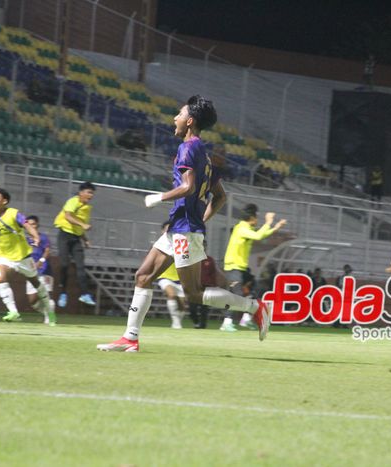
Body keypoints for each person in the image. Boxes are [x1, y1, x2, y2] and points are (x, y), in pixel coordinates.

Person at [98, 95, 271, 352]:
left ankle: (256, 308)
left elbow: (189, 187)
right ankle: (130, 339)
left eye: (178, 114)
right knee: (143, 276)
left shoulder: (188, 149)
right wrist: (200, 219)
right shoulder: (204, 153)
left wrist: (159, 197)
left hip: (184, 230)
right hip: (180, 227)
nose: (174, 118)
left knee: (193, 293)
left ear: (189, 121)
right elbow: (220, 196)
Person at [0, 188, 53, 325]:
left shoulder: (13, 213)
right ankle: (13, 311)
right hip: (4, 256)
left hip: (22, 256)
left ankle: (49, 310)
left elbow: (26, 224)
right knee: (1, 277)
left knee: (36, 283)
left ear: (4, 201)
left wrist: (35, 236)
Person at [221, 204, 286, 331]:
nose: (257, 220)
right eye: (257, 217)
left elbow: (260, 234)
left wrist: (276, 227)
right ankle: (226, 323)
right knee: (237, 295)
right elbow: (258, 236)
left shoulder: (246, 228)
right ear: (252, 217)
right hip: (233, 267)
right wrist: (269, 222)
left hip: (241, 268)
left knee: (255, 291)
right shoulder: (241, 228)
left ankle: (245, 320)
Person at [53, 182, 96, 308]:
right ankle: (63, 293)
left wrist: (85, 239)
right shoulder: (73, 201)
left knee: (81, 267)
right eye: (88, 192)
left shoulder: (87, 208)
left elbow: (81, 225)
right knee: (64, 264)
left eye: (92, 193)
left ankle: (85, 294)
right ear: (81, 192)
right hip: (64, 235)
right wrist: (83, 225)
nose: (90, 195)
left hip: (76, 238)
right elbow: (68, 216)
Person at [25, 215, 56, 325]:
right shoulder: (25, 239)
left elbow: (47, 251)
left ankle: (50, 317)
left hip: (44, 271)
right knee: (32, 301)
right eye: (29, 224)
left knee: (46, 295)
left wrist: (41, 261)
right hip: (30, 272)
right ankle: (47, 312)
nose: (31, 226)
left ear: (37, 225)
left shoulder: (42, 237)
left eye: (33, 224)